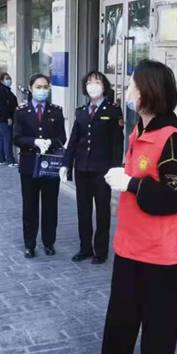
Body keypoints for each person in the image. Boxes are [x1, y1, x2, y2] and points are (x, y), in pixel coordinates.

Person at [99, 60, 177, 354]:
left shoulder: (172, 138)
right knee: (119, 327)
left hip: (162, 256)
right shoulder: (140, 131)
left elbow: (172, 195)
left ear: (147, 91)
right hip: (131, 247)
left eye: (132, 85)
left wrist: (131, 183)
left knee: (158, 336)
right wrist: (126, 174)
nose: (127, 90)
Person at [60, 72, 124, 265]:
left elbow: (117, 143)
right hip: (82, 168)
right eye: (89, 82)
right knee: (83, 210)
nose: (92, 85)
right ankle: (85, 247)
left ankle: (101, 251)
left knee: (103, 210)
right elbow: (74, 140)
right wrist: (66, 163)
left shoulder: (113, 110)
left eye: (97, 82)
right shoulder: (81, 111)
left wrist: (115, 168)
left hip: (102, 170)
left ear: (104, 86)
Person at [13, 73, 66, 259]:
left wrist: (50, 142)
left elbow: (62, 137)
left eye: (45, 87)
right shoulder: (21, 111)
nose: (42, 90)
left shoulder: (56, 111)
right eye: (38, 87)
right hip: (29, 165)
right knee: (30, 207)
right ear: (31, 88)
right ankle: (30, 244)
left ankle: (49, 243)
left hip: (50, 166)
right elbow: (16, 137)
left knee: (50, 206)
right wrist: (34, 141)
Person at [0, 72, 18, 167]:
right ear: (2, 81)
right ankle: (10, 160)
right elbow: (4, 106)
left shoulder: (6, 89)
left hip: (2, 118)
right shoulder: (1, 90)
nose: (9, 80)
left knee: (3, 138)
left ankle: (1, 158)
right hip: (3, 119)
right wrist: (8, 117)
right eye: (6, 78)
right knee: (7, 139)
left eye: (9, 78)